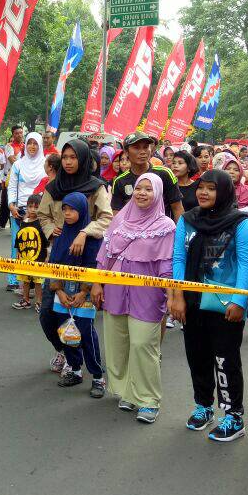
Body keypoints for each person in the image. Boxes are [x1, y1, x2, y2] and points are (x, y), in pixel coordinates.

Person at [169, 170, 248, 442]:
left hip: (225, 305)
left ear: (225, 192)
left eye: (211, 188)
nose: (203, 193)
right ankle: (203, 406)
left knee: (225, 359)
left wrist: (240, 300)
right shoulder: (188, 220)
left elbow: (246, 264)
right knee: (197, 355)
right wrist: (178, 296)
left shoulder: (241, 223)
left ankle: (233, 416)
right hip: (193, 303)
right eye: (200, 188)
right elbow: (178, 259)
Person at [91, 174, 175, 424]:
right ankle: (128, 391)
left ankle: (149, 399)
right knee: (118, 344)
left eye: (149, 189)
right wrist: (97, 283)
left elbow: (166, 265)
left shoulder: (166, 226)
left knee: (143, 344)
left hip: (147, 295)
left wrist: (172, 297)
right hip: (116, 291)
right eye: (139, 188)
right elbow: (104, 255)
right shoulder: (120, 219)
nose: (142, 193)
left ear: (158, 193)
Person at [38, 192, 106, 396]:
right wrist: (57, 289)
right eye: (65, 209)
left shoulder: (93, 238)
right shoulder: (61, 235)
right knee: (66, 332)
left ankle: (97, 376)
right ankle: (75, 370)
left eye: (72, 209)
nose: (67, 213)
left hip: (83, 294)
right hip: (62, 292)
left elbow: (94, 266)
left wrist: (84, 292)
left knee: (86, 333)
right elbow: (54, 265)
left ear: (83, 210)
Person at [36, 139, 112, 256]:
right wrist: (50, 230)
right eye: (65, 157)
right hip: (60, 247)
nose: (68, 162)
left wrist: (85, 233)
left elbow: (106, 217)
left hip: (88, 247)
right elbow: (43, 214)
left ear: (82, 159)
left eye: (73, 157)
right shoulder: (54, 187)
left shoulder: (95, 187)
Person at [111, 131, 183, 221]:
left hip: (162, 232)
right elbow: (117, 215)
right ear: (126, 152)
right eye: (136, 148)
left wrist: (178, 234)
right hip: (131, 233)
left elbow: (177, 208)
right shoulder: (119, 181)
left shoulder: (165, 174)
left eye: (146, 147)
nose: (143, 152)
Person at [6, 132, 45, 291]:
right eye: (30, 143)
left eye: (36, 143)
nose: (32, 147)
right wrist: (11, 206)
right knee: (18, 246)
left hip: (40, 211)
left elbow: (48, 185)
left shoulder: (45, 163)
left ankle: (36, 282)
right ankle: (14, 279)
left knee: (38, 247)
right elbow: (12, 187)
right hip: (20, 211)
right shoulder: (18, 165)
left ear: (40, 145)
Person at [12, 194, 47, 311]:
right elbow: (19, 238)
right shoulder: (24, 222)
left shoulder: (41, 223)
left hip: (38, 258)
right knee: (25, 280)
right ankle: (26, 300)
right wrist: (18, 252)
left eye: (36, 207)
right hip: (24, 258)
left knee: (38, 281)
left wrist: (46, 257)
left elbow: (45, 241)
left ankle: (39, 302)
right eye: (30, 206)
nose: (33, 209)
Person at [221, 154, 248, 226]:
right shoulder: (217, 191)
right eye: (228, 169)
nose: (231, 172)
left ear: (240, 173)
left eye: (236, 170)